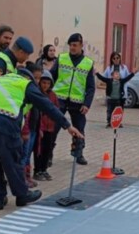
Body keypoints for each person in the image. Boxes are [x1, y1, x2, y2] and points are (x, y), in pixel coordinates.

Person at [0, 58, 84, 209]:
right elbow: (46, 105)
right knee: (12, 159)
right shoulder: (24, 83)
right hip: (4, 121)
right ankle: (22, 195)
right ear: (29, 78)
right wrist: (67, 125)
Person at [51, 33, 95, 165]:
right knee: (53, 128)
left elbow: (91, 87)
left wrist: (87, 104)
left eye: (75, 45)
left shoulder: (88, 63)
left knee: (79, 128)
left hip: (78, 102)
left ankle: (78, 153)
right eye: (70, 45)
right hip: (59, 100)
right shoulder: (61, 58)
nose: (72, 48)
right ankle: (48, 154)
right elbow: (52, 77)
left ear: (81, 46)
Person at [34, 71, 59, 181]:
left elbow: (56, 109)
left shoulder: (52, 95)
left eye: (48, 83)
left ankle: (44, 170)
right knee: (39, 150)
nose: (45, 85)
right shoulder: (37, 94)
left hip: (50, 127)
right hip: (40, 127)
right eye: (43, 83)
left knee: (47, 149)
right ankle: (37, 170)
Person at [96, 52, 132, 127]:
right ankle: (109, 122)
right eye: (114, 58)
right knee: (110, 109)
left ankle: (118, 122)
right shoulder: (109, 67)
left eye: (117, 58)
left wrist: (124, 82)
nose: (116, 59)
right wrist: (97, 74)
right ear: (111, 59)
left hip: (121, 91)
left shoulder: (123, 67)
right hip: (111, 93)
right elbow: (104, 77)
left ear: (120, 58)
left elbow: (128, 77)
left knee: (120, 108)